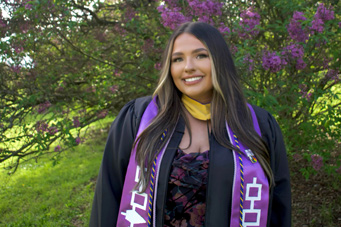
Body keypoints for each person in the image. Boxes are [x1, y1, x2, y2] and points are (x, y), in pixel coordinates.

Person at [90, 22, 291, 227]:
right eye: (177, 59)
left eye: (200, 55)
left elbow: (278, 208)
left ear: (220, 61)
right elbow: (108, 197)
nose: (188, 67)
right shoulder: (139, 119)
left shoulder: (257, 125)